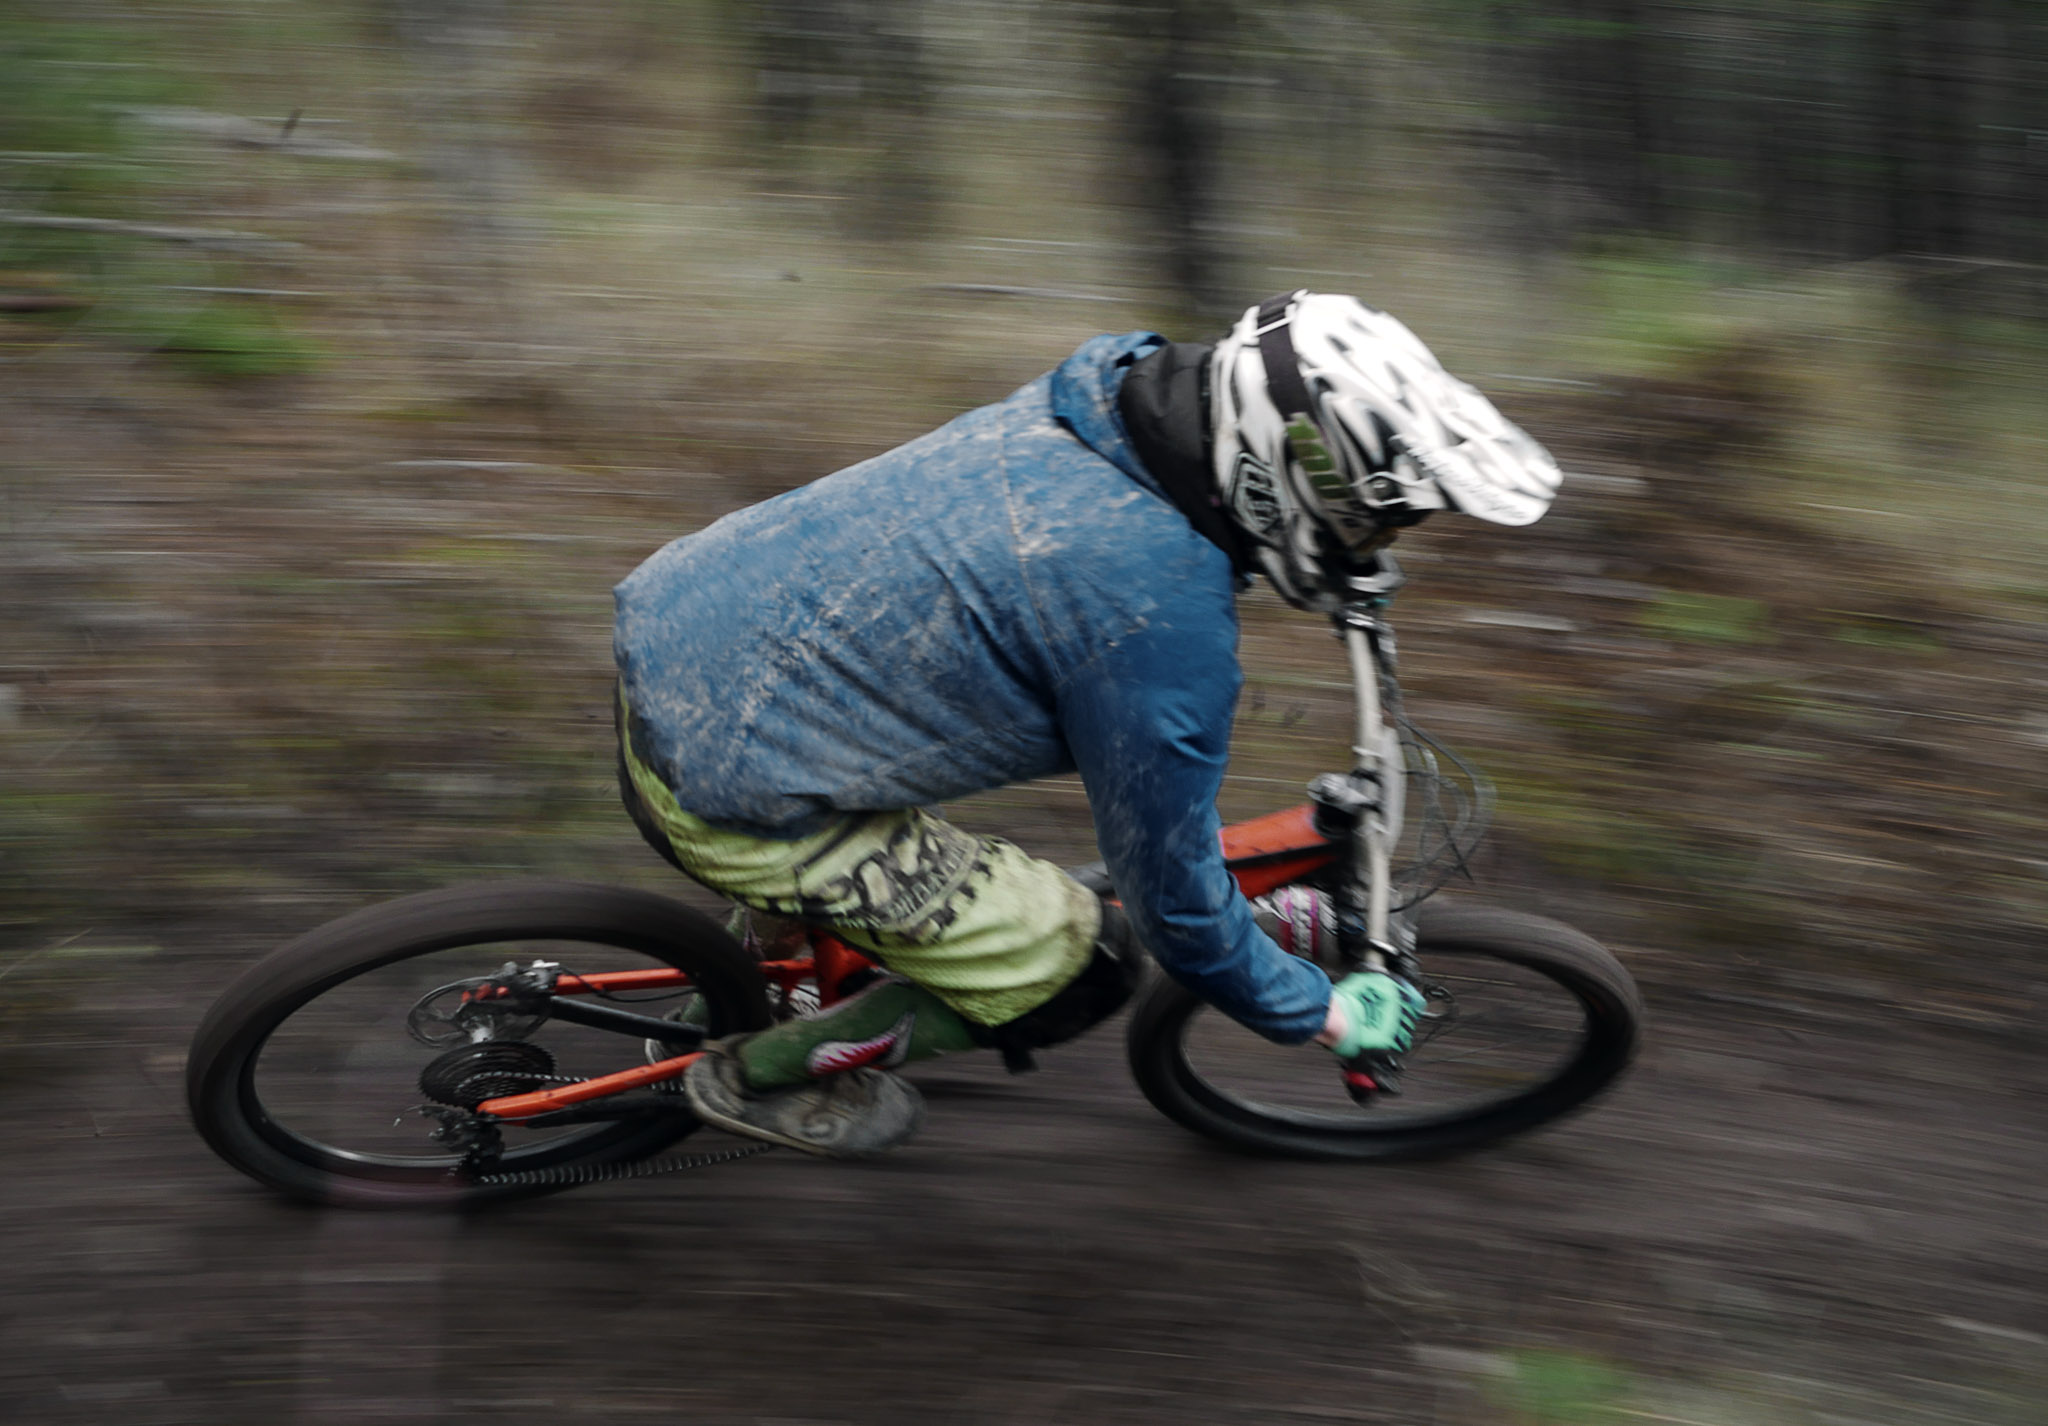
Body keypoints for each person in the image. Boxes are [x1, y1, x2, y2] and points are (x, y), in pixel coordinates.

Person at [612, 290, 1562, 1157]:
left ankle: (760, 964)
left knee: (936, 833)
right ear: (1294, 474)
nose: (1375, 544)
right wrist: (1320, 1017)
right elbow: (1180, 915)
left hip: (687, 627)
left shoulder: (1108, 396)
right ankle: (757, 1080)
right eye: (1371, 521)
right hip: (730, 782)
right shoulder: (1155, 629)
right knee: (1077, 962)